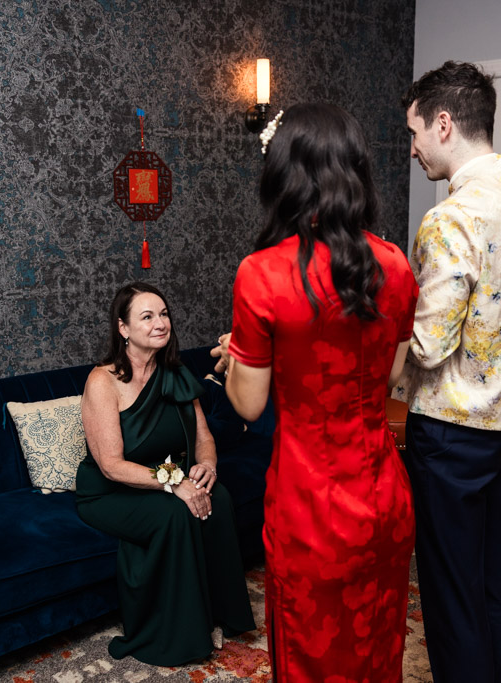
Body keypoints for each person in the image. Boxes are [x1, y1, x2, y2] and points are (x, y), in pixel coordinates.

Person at [212, 102, 419, 681]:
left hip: (310, 504)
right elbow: (394, 376)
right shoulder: (396, 265)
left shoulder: (264, 273)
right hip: (382, 495)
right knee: (377, 649)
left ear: (283, 174)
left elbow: (250, 404)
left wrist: (237, 359)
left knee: (311, 655)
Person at [392, 61, 501, 683]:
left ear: (443, 123)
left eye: (414, 133)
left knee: (448, 589)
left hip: (453, 430)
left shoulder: (450, 218)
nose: (411, 149)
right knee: (489, 573)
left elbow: (428, 345)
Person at [74, 281, 255, 665]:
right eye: (147, 316)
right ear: (123, 328)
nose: (160, 323)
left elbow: (204, 436)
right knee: (176, 513)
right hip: (108, 492)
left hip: (162, 474)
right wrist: (176, 485)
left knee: (218, 497)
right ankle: (178, 634)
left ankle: (220, 615)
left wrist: (206, 466)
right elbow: (111, 465)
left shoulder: (175, 371)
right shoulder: (102, 380)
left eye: (164, 314)